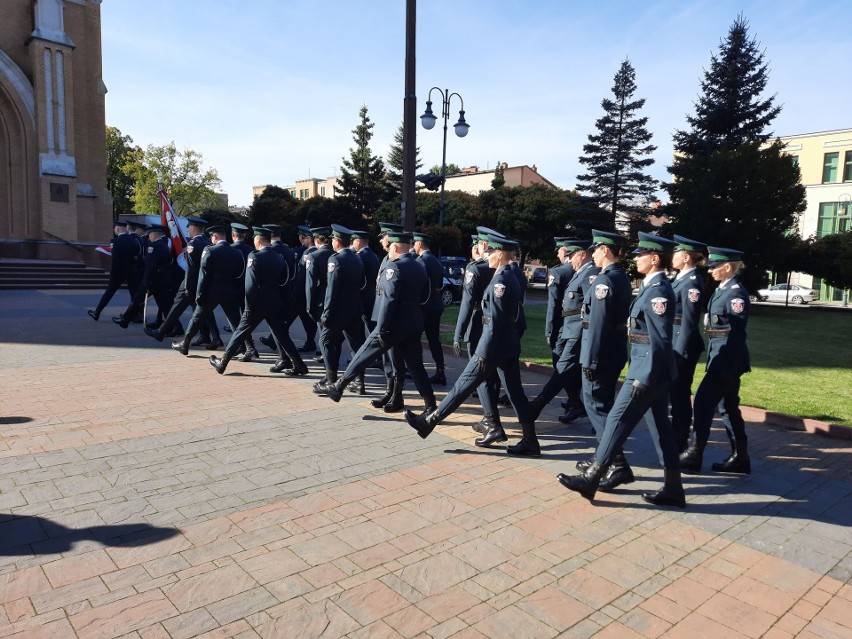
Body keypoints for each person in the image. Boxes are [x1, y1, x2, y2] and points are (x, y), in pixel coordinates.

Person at [558, 232, 686, 508]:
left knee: (616, 420)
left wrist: (645, 377)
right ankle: (674, 488)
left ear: (654, 259)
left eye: (641, 255)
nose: (636, 258)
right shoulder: (654, 287)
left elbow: (661, 339)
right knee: (662, 429)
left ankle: (592, 478)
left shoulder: (659, 291)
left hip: (647, 371)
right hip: (651, 368)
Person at [404, 235, 536, 450]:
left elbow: (495, 321)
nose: (487, 255)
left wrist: (483, 352)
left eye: (490, 252)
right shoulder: (511, 273)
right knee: (515, 392)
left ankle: (429, 422)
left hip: (493, 346)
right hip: (507, 344)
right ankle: (530, 440)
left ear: (500, 254)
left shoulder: (500, 280)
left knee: (462, 386)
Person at [317, 230, 436, 416]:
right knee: (416, 366)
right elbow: (425, 297)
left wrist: (381, 329)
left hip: (392, 325)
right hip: (413, 323)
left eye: (390, 246)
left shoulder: (394, 268)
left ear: (395, 247)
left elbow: (389, 300)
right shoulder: (419, 266)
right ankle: (430, 404)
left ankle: (339, 386)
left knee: (363, 353)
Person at [679, 247, 752, 475]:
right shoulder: (724, 290)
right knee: (728, 408)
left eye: (714, 267)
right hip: (722, 361)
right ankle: (740, 459)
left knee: (702, 403)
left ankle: (693, 454)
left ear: (728, 267)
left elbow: (736, 334)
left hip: (726, 363)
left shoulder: (735, 294)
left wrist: (726, 368)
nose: (710, 270)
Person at [574, 229, 633, 489]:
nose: (593, 254)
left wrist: (590, 359)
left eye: (596, 250)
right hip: (614, 349)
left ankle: (617, 463)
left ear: (605, 250)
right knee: (604, 404)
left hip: (601, 351)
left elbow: (596, 324)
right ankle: (602, 457)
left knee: (596, 405)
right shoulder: (620, 277)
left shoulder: (604, 281)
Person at [527, 239, 600, 442]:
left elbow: (592, 309)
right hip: (569, 328)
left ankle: (537, 406)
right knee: (567, 370)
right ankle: (580, 407)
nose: (568, 260)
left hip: (578, 329)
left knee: (564, 368)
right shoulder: (580, 272)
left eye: (571, 256)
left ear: (582, 254)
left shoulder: (591, 274)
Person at [209, 227, 308, 375]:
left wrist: (248, 306)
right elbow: (284, 283)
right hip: (275, 301)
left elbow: (251, 285)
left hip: (258, 303)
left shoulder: (254, 257)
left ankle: (222, 363)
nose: (254, 241)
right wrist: (286, 304)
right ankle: (299, 364)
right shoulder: (279, 257)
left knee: (240, 333)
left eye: (255, 238)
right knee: (282, 334)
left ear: (259, 239)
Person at [453, 228, 501, 435]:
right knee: (493, 373)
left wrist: (458, 334)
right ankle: (491, 416)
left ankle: (491, 419)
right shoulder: (502, 268)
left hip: (478, 323)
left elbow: (466, 303)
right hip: (497, 326)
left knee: (478, 373)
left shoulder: (475, 268)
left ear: (482, 245)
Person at [170, 225, 245, 357]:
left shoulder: (210, 250)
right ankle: (243, 345)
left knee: (197, 318)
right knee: (235, 321)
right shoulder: (236, 252)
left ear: (215, 237)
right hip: (230, 291)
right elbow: (239, 273)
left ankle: (185, 344)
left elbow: (203, 275)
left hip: (211, 292)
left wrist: (199, 294)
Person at [144, 216, 221, 345]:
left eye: (189, 228)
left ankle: (161, 332)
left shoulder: (193, 245)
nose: (188, 231)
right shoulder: (208, 243)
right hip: (204, 283)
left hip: (191, 283)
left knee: (176, 308)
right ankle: (211, 337)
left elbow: (191, 268)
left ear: (192, 228)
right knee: (203, 310)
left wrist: (187, 287)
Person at [313, 224, 366, 393]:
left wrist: (327, 312)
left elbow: (332, 289)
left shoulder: (335, 259)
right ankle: (359, 381)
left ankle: (330, 379)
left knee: (325, 340)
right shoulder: (357, 258)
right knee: (357, 345)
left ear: (337, 241)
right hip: (355, 306)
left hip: (339, 309)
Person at [669, 235, 707, 451]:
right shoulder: (681, 278)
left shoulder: (691, 283)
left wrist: (679, 350)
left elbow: (689, 321)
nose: (672, 257)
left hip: (682, 345)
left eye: (676, 253)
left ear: (685, 257)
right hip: (674, 342)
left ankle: (680, 438)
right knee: (675, 392)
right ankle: (676, 434)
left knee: (680, 393)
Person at [369, 222, 408, 412]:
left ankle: (397, 396)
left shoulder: (400, 261)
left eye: (384, 236)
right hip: (382, 315)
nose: (381, 239)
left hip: (394, 319)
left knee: (396, 358)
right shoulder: (386, 259)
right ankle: (388, 391)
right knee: (387, 358)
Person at [114, 224, 174, 329]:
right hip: (161, 279)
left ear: (154, 234)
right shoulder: (164, 246)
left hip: (151, 280)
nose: (149, 237)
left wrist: (146, 281)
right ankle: (125, 319)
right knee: (163, 305)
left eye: (149, 234)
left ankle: (125, 319)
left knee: (139, 300)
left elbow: (150, 265)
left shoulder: (154, 246)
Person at [413, 232, 447, 385]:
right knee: (434, 340)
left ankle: (416, 370)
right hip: (436, 303)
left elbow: (419, 285)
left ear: (419, 244)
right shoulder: (435, 261)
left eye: (415, 243)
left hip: (424, 305)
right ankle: (440, 371)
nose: (413, 246)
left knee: (414, 338)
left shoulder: (420, 261)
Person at [89, 220, 140, 321]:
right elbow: (136, 254)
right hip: (131, 271)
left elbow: (115, 259)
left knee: (109, 293)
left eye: (114, 228)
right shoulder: (133, 240)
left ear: (117, 229)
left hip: (118, 272)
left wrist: (113, 274)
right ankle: (133, 315)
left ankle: (97, 312)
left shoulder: (115, 242)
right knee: (134, 295)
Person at [259, 224, 297, 356]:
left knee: (277, 326)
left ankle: (284, 356)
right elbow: (292, 274)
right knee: (279, 326)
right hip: (287, 291)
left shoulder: (269, 251)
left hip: (271, 293)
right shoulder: (289, 251)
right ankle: (285, 356)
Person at [228, 222, 260, 361]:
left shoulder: (229, 249)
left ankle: (248, 347)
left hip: (233, 288)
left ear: (233, 235)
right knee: (244, 319)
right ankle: (244, 346)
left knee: (235, 320)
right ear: (245, 236)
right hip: (247, 289)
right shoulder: (251, 250)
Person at [306, 226, 334, 374]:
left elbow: (310, 285)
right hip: (336, 300)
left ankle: (329, 373)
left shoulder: (314, 256)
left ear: (317, 240)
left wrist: (309, 306)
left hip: (321, 300)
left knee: (324, 338)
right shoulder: (336, 254)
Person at [292, 226, 319, 354]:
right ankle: (310, 342)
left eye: (302, 237)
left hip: (303, 293)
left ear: (307, 238)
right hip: (312, 293)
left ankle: (275, 339)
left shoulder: (308, 253)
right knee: (307, 318)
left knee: (289, 315)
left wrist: (296, 292)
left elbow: (302, 276)